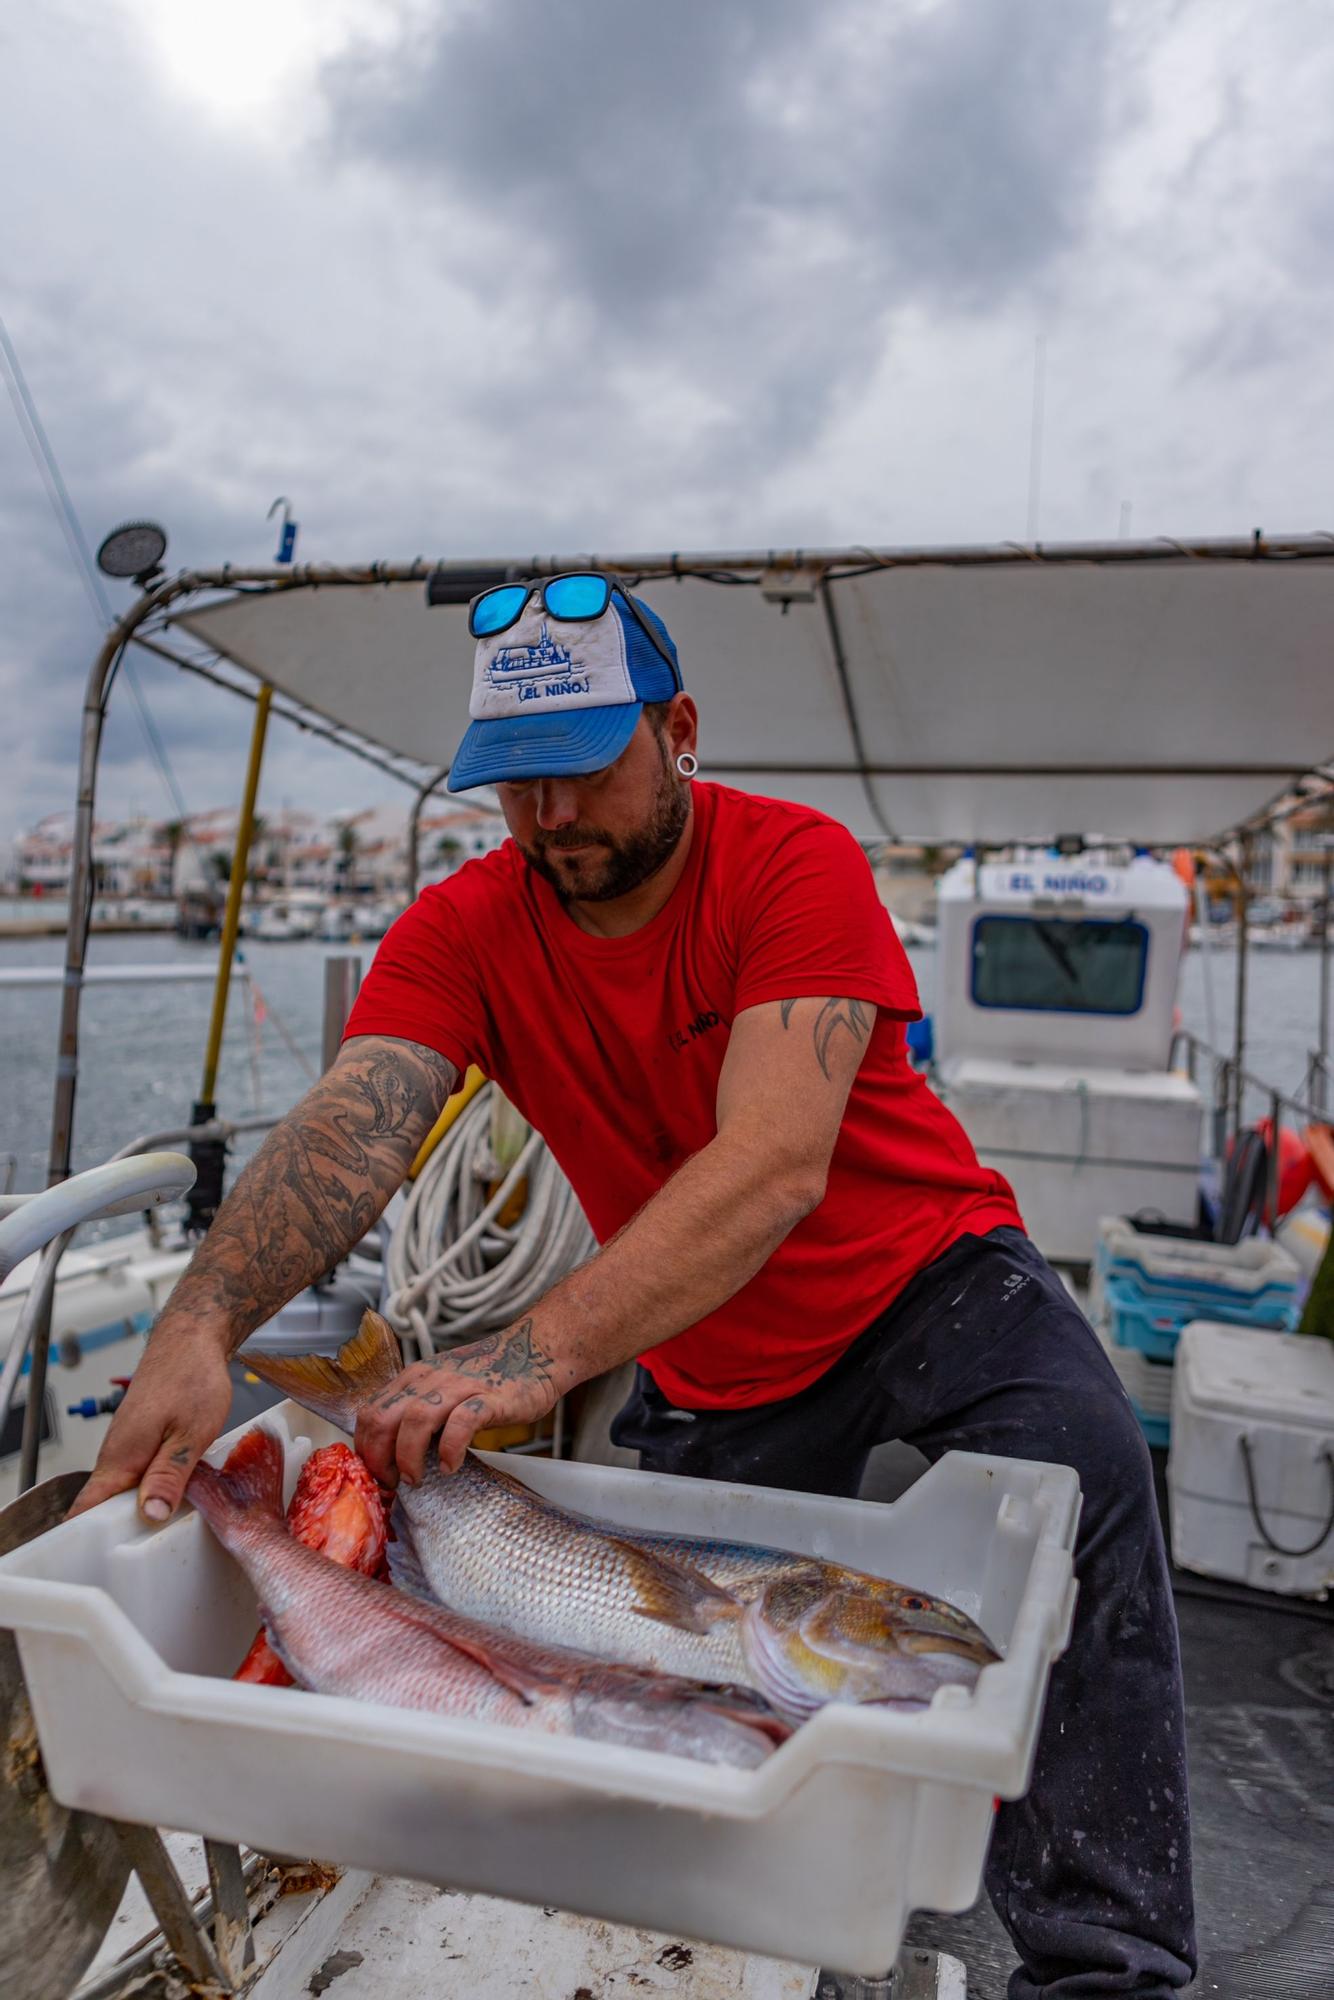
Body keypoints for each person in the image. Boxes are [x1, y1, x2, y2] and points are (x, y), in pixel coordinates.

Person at [75, 577, 1195, 1998]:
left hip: (925, 1273)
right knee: (657, 1657)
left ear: (678, 732)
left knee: (1089, 1480)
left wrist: (529, 1358)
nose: (549, 817)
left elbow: (776, 1164)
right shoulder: (464, 927)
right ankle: (735, 1920)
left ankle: (1106, 1965)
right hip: (705, 1342)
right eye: (513, 784)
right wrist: (199, 1321)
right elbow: (356, 1122)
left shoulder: (794, 861)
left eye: (584, 767)